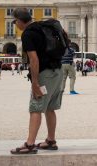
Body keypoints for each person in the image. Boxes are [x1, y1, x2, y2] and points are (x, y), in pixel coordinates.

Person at [10, 8, 65, 154]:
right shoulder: (42, 27)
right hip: (58, 72)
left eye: (15, 22)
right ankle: (51, 140)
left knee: (36, 107)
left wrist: (35, 83)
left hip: (45, 74)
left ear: (20, 21)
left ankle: (29, 144)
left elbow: (34, 60)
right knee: (49, 108)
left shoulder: (28, 34)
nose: (15, 24)